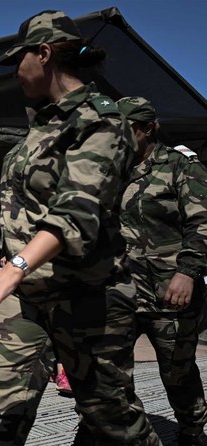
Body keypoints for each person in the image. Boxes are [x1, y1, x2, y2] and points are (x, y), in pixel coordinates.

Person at [0, 10, 160, 445]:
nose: (17, 72)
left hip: (87, 297)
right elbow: (28, 206)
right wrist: (16, 259)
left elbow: (76, 211)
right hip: (28, 297)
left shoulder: (101, 122)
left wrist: (10, 269)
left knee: (110, 420)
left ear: (44, 53)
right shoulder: (42, 123)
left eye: (19, 60)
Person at [117, 96, 207, 446]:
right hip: (120, 291)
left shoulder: (181, 166)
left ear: (149, 128)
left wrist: (187, 272)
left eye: (129, 130)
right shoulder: (112, 170)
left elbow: (202, 223)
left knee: (177, 372)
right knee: (111, 372)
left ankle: (192, 430)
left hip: (170, 292)